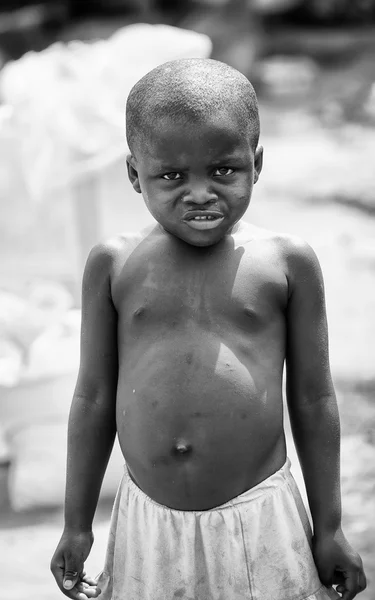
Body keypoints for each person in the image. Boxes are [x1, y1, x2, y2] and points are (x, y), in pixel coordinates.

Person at [50, 58, 367, 600]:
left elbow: (314, 400)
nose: (199, 193)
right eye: (171, 176)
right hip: (148, 524)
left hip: (260, 515)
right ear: (134, 175)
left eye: (223, 169)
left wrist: (330, 527)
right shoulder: (114, 264)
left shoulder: (286, 263)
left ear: (256, 163)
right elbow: (94, 398)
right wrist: (77, 524)